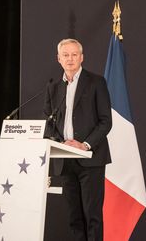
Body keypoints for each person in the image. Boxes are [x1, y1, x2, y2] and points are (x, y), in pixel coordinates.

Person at [44, 38, 112, 241]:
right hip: (65, 160)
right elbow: (49, 122)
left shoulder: (96, 82)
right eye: (66, 55)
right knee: (74, 218)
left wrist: (84, 144)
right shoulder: (53, 87)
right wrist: (61, 143)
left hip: (90, 159)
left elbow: (105, 121)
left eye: (74, 55)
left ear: (82, 58)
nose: (70, 59)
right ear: (58, 59)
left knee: (92, 217)